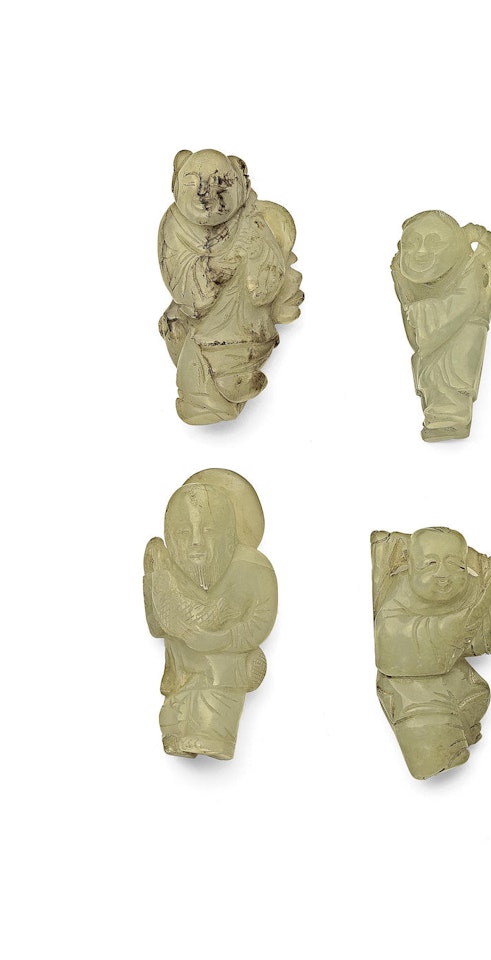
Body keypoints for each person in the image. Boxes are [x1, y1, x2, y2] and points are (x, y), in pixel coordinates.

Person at [157, 149, 303, 423]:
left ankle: (229, 384)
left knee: (215, 367)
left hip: (243, 326)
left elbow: (268, 280)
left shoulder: (251, 223)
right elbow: (180, 281)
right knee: (177, 332)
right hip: (196, 317)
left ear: (240, 184)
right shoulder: (175, 224)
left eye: (218, 183)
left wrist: (252, 257)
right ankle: (211, 395)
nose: (204, 193)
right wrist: (219, 266)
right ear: (176, 185)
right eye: (191, 183)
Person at [144, 480, 277, 760]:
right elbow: (158, 626)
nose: (196, 541)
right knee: (174, 716)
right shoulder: (170, 574)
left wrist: (220, 639)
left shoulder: (254, 570)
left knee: (214, 703)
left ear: (228, 534)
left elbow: (261, 621)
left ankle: (212, 738)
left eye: (208, 530)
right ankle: (182, 736)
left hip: (224, 671)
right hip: (183, 669)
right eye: (183, 532)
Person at [372, 528, 491, 778]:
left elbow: (489, 626)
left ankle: (457, 733)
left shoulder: (467, 590)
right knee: (427, 737)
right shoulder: (398, 594)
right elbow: (390, 645)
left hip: (453, 679)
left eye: (456, 565)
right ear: (410, 566)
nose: (443, 574)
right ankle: (441, 751)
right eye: (430, 564)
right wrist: (455, 624)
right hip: (409, 688)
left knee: (478, 693)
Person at [391, 211, 491, 441]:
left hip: (463, 337)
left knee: (453, 384)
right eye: (413, 244)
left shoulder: (469, 268)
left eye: (433, 243)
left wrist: (423, 313)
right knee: (433, 382)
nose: (421, 252)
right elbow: (414, 329)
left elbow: (466, 300)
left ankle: (452, 418)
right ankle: (439, 416)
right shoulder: (405, 279)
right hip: (433, 350)